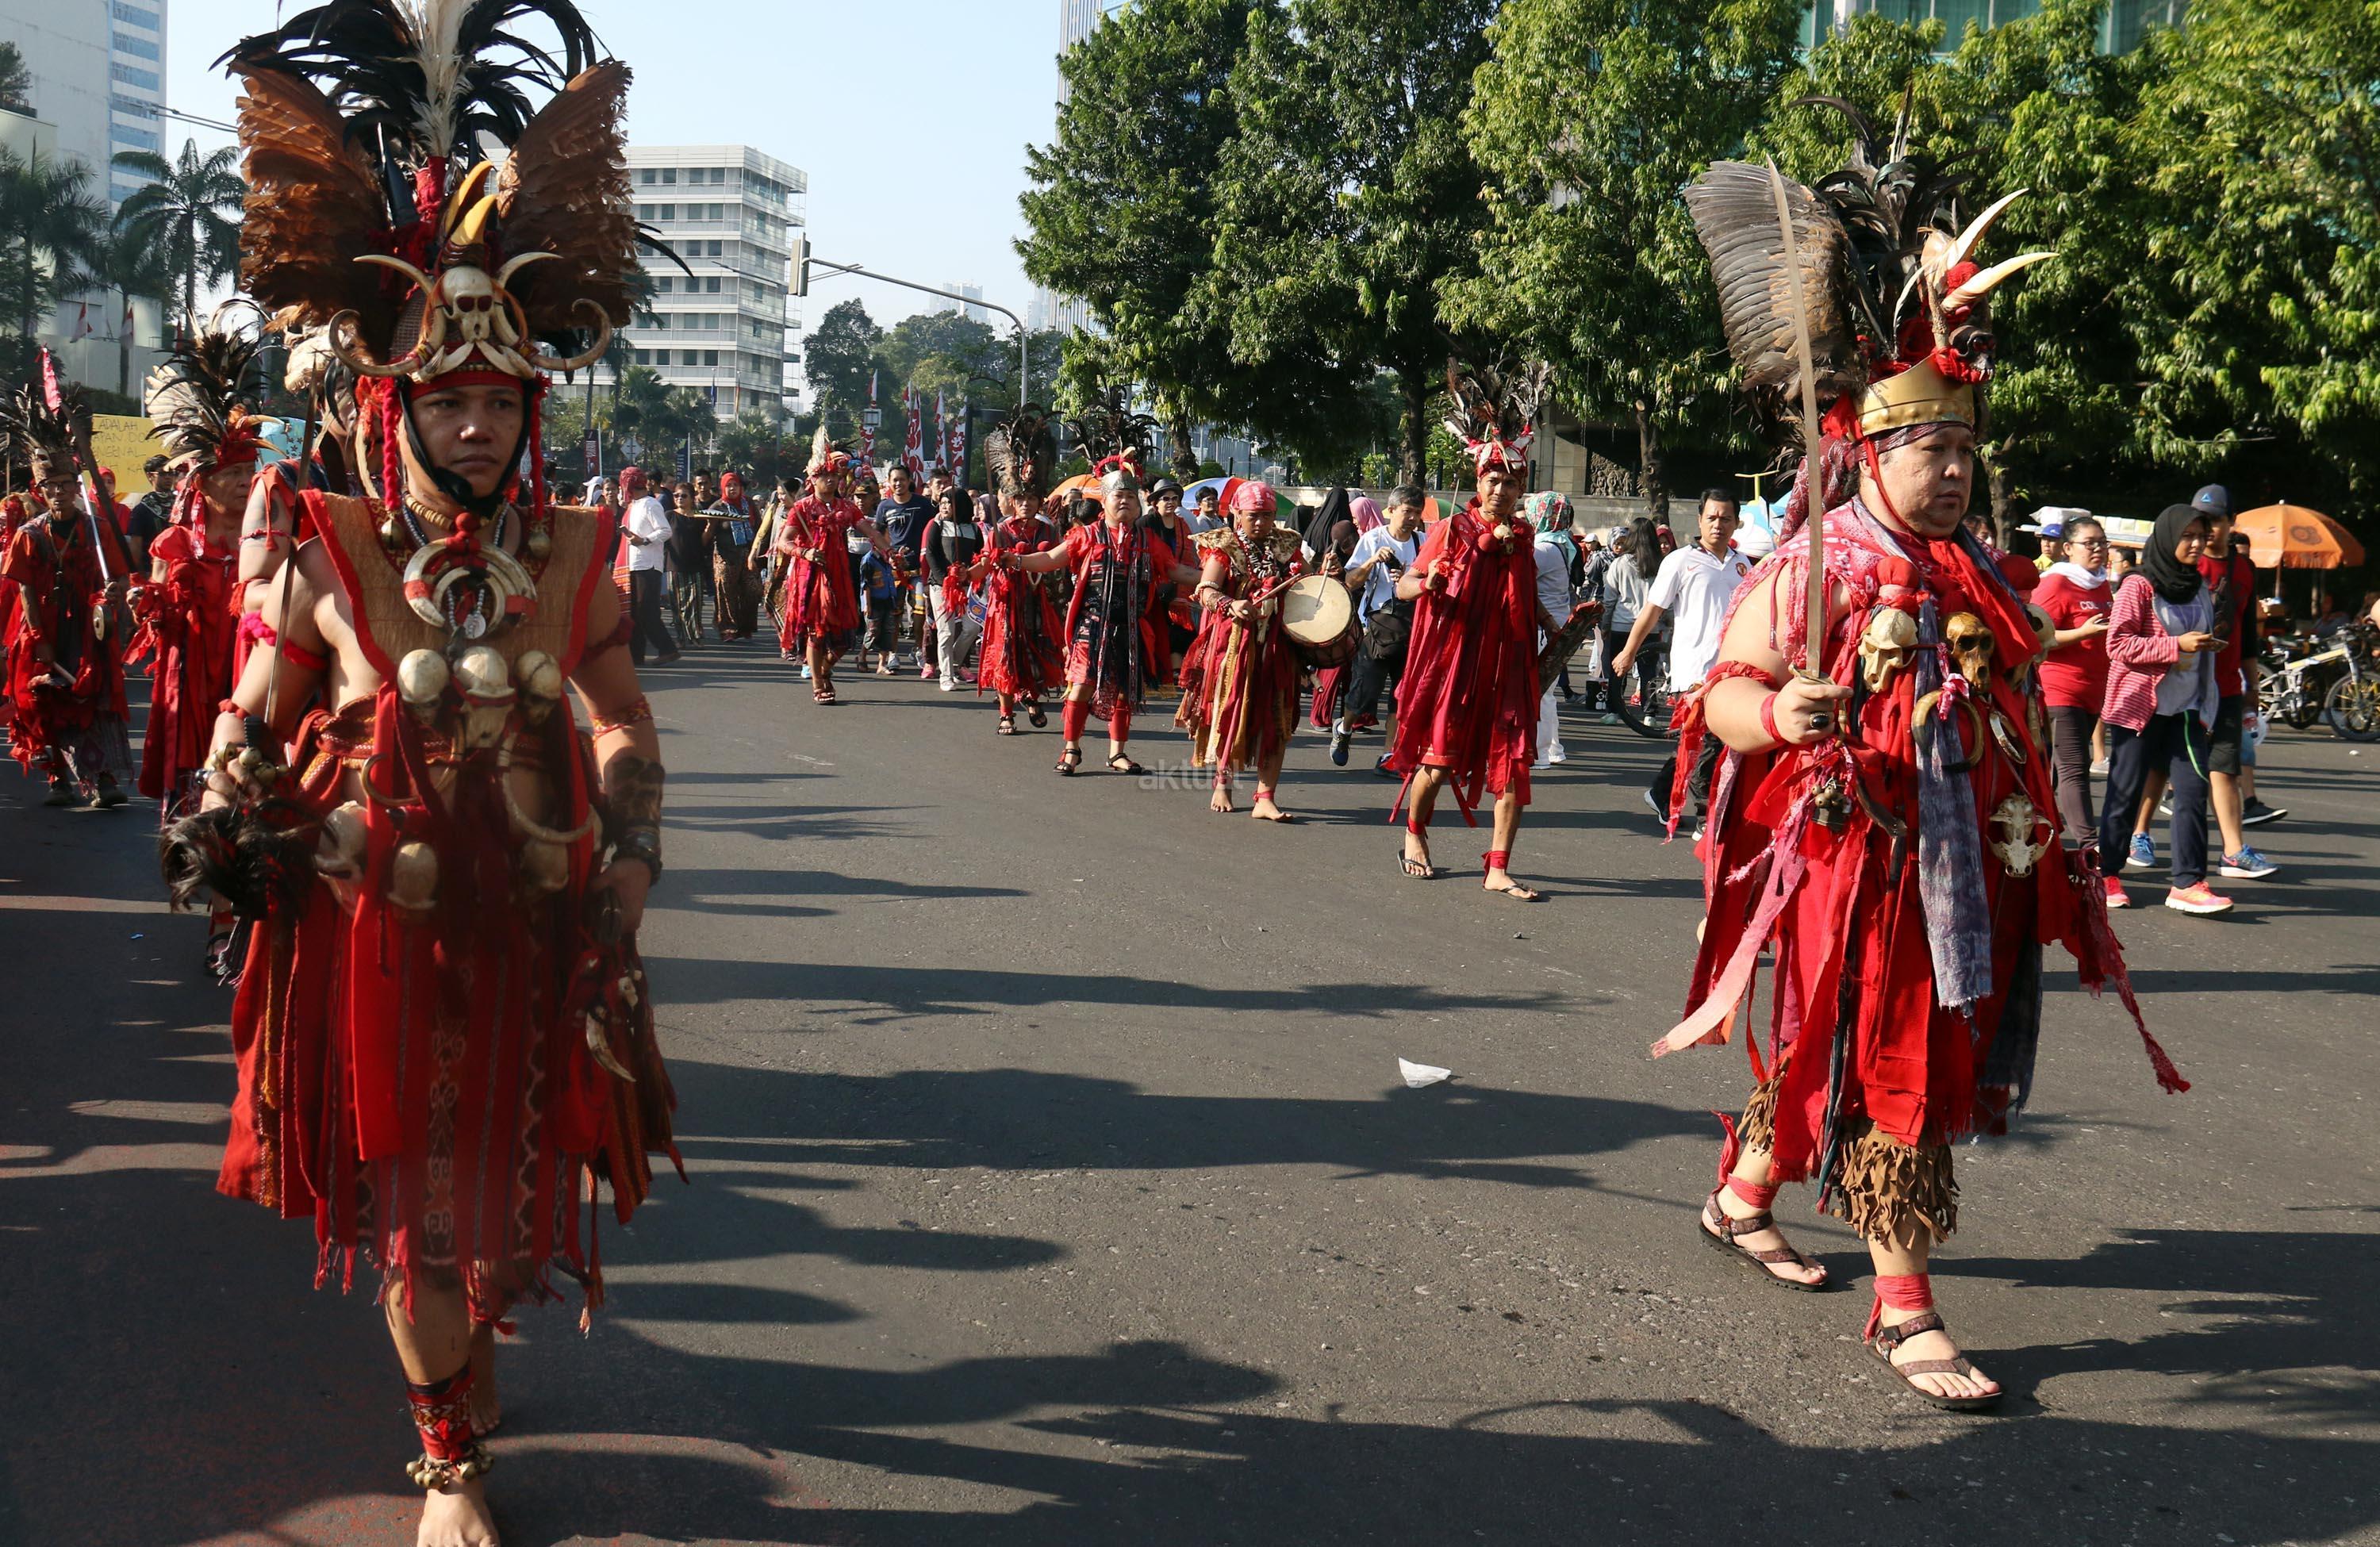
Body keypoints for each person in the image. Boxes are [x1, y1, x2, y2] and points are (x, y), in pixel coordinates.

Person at [198, 17, 678, 1541]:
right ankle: (448, 1471)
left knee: (502, 1208)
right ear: (393, 408)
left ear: (532, 411)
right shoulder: (330, 550)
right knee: (416, 1219)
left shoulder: (578, 558)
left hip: (534, 929)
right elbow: (253, 709)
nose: (477, 425)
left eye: (502, 402)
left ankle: (464, 1375)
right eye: (448, 401)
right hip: (374, 939)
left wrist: (627, 858)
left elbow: (624, 726)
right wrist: (223, 794)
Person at [1666, 140, 2183, 1411]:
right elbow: (1720, 695)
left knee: (1826, 1047)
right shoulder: (1818, 564)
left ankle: (1741, 1197)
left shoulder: (1978, 571)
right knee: (1892, 1060)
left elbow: (2013, 692)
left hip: (1973, 865)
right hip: (1862, 870)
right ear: (1871, 447)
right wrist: (1779, 710)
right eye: (1931, 448)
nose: (1954, 469)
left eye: (1965, 447)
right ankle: (1906, 1308)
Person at [1385, 364, 1548, 900]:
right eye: (1492, 480)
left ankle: (1498, 867)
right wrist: (1428, 582)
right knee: (1438, 765)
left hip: (1509, 670)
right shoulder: (1450, 529)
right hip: (1455, 668)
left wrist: (1558, 625)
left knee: (1514, 768)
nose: (1500, 489)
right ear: (1478, 483)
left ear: (1521, 487)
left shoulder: (1524, 536)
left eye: (1510, 482)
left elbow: (1523, 597)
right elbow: (1404, 588)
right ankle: (1415, 832)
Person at [1009, 463, 1200, 774]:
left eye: (1130, 497)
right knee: (1081, 687)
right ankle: (1071, 749)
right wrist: (1016, 560)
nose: (1124, 501)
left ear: (1139, 505)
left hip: (1132, 628)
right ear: (1105, 501)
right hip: (1092, 625)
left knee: (1125, 691)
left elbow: (1179, 571)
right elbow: (1050, 559)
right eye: (1118, 496)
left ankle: (1117, 754)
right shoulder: (1086, 535)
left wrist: (1215, 577)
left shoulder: (1149, 540)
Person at [2, 376, 136, 810]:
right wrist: (38, 638)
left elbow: (120, 578)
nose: (58, 493)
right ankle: (58, 778)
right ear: (41, 491)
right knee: (44, 698)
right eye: (51, 487)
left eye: (65, 485)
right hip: (43, 625)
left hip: (88, 626)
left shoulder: (99, 529)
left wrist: (111, 597)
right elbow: (25, 591)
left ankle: (103, 779)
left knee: (96, 695)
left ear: (78, 488)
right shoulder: (28, 534)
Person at [2099, 505, 2231, 914]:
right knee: (2125, 793)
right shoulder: (2138, 585)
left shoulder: (2199, 585)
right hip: (2140, 707)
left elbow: (2198, 640)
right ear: (2168, 537)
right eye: (2187, 536)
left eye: (2201, 536)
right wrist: (2176, 645)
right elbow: (2118, 644)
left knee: (2192, 792)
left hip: (2187, 710)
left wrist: (2206, 647)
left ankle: (2188, 883)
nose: (2196, 544)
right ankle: (2106, 873)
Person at [1177, 481, 1317, 820]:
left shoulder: (1287, 545)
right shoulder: (1224, 546)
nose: (1260, 522)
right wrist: (1231, 604)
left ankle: (1265, 797)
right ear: (1237, 513)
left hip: (1279, 647)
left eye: (1267, 515)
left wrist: (1323, 577)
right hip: (1234, 647)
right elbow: (1206, 590)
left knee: (1277, 718)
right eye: (1253, 515)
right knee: (1231, 712)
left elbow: (1310, 584)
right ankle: (1223, 783)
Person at [1616, 490, 1751, 833]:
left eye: (1726, 518)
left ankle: (1661, 792)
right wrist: (1629, 651)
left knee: (1700, 743)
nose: (1718, 525)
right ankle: (1706, 816)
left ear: (1736, 522)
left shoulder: (1743, 564)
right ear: (1699, 520)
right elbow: (1652, 610)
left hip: (1732, 670)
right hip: (1693, 670)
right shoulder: (1680, 560)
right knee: (1708, 742)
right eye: (1712, 517)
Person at [2188, 485, 2278, 877]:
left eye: (2216, 521)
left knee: (2225, 768)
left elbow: (2246, 631)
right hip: (2182, 687)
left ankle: (2233, 851)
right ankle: (2138, 835)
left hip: (2225, 687)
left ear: (2231, 522)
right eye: (2202, 521)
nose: (2208, 529)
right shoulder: (2186, 564)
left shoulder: (2243, 568)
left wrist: (2252, 683)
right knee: (2161, 771)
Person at [775, 431, 886, 703]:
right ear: (813, 479)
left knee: (846, 634)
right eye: (826, 476)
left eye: (835, 476)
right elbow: (783, 542)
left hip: (839, 574)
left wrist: (890, 551)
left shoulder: (846, 507)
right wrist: (805, 552)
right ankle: (818, 684)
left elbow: (871, 531)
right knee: (817, 631)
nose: (831, 480)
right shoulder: (802, 508)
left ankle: (824, 669)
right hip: (811, 576)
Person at [975, 406, 1065, 733]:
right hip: (1006, 604)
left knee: (1038, 651)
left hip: (1039, 603)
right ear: (1012, 501)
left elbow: (1058, 565)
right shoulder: (1000, 530)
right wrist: (965, 576)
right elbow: (985, 564)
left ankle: (1031, 696)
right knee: (1006, 655)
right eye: (1021, 499)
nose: (1026, 503)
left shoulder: (1049, 530)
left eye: (1032, 498)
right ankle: (1006, 714)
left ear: (1040, 501)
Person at [2033, 515, 2113, 851]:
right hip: (2059, 689)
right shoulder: (2055, 583)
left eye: (2102, 543)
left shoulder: (2102, 584)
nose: (2098, 549)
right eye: (2089, 543)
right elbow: (2035, 636)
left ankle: (2037, 828)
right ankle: (2089, 847)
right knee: (2074, 767)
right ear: (2067, 548)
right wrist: (2082, 633)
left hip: (2093, 691)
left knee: (2054, 769)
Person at [1331, 485, 1426, 770]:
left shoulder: (1423, 541)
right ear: (1391, 511)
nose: (1412, 518)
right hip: (1376, 627)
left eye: (1417, 512)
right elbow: (1350, 583)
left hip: (1411, 628)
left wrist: (1409, 579)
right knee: (1364, 692)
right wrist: (1373, 561)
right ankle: (1344, 728)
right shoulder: (1373, 539)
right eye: (1407, 511)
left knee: (1402, 694)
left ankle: (1389, 754)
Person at [1527, 490, 1584, 770]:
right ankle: (1553, 749)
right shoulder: (1561, 543)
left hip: (1543, 626)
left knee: (1539, 692)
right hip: (1557, 622)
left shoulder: (1544, 549)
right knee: (1546, 691)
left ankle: (1540, 752)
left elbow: (1519, 576)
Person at [924, 483, 987, 692]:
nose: (943, 507)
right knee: (946, 632)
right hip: (941, 587)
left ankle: (954, 663)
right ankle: (946, 676)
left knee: (972, 628)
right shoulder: (937, 525)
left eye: (948, 503)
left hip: (966, 586)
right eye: (942, 503)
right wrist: (944, 579)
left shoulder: (974, 529)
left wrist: (972, 575)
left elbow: (979, 555)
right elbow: (931, 554)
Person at [1598, 519, 1660, 723]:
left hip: (1621, 624)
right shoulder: (1660, 565)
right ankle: (1649, 714)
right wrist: (1667, 623)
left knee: (1618, 670)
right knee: (1648, 672)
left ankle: (1613, 711)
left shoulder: (1619, 564)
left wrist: (1605, 625)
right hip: (1650, 627)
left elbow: (1609, 599)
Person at [873, 464, 934, 670]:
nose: (898, 483)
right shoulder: (884, 507)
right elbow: (877, 535)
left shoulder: (923, 504)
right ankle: (892, 653)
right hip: (894, 570)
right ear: (889, 483)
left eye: (902, 479)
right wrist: (888, 555)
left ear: (909, 481)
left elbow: (933, 530)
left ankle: (918, 649)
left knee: (920, 611)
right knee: (894, 614)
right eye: (895, 480)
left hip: (919, 569)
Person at [620, 468, 679, 666]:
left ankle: (667, 648)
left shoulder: (650, 504)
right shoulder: (633, 506)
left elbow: (665, 531)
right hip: (633, 563)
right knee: (635, 612)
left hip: (648, 564)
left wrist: (644, 540)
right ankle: (635, 655)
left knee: (646, 610)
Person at [708, 470, 762, 641]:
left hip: (748, 554)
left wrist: (758, 552)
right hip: (725, 556)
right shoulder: (717, 507)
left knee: (752, 591)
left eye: (735, 485)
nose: (732, 489)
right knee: (726, 592)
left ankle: (746, 627)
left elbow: (759, 527)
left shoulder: (749, 504)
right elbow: (709, 534)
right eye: (728, 485)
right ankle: (728, 628)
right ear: (723, 488)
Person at [666, 480, 713, 646]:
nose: (679, 498)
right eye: (676, 495)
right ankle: (681, 637)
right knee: (677, 603)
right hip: (674, 565)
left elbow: (704, 542)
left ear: (692, 498)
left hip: (696, 564)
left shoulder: (699, 517)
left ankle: (695, 636)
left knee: (695, 602)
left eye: (684, 496)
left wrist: (709, 527)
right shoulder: (669, 516)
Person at [128, 453, 175, 570]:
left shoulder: (180, 505)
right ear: (150, 476)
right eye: (162, 474)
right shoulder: (141, 510)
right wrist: (139, 575)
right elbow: (136, 547)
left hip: (179, 568)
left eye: (171, 473)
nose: (168, 477)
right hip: (152, 570)